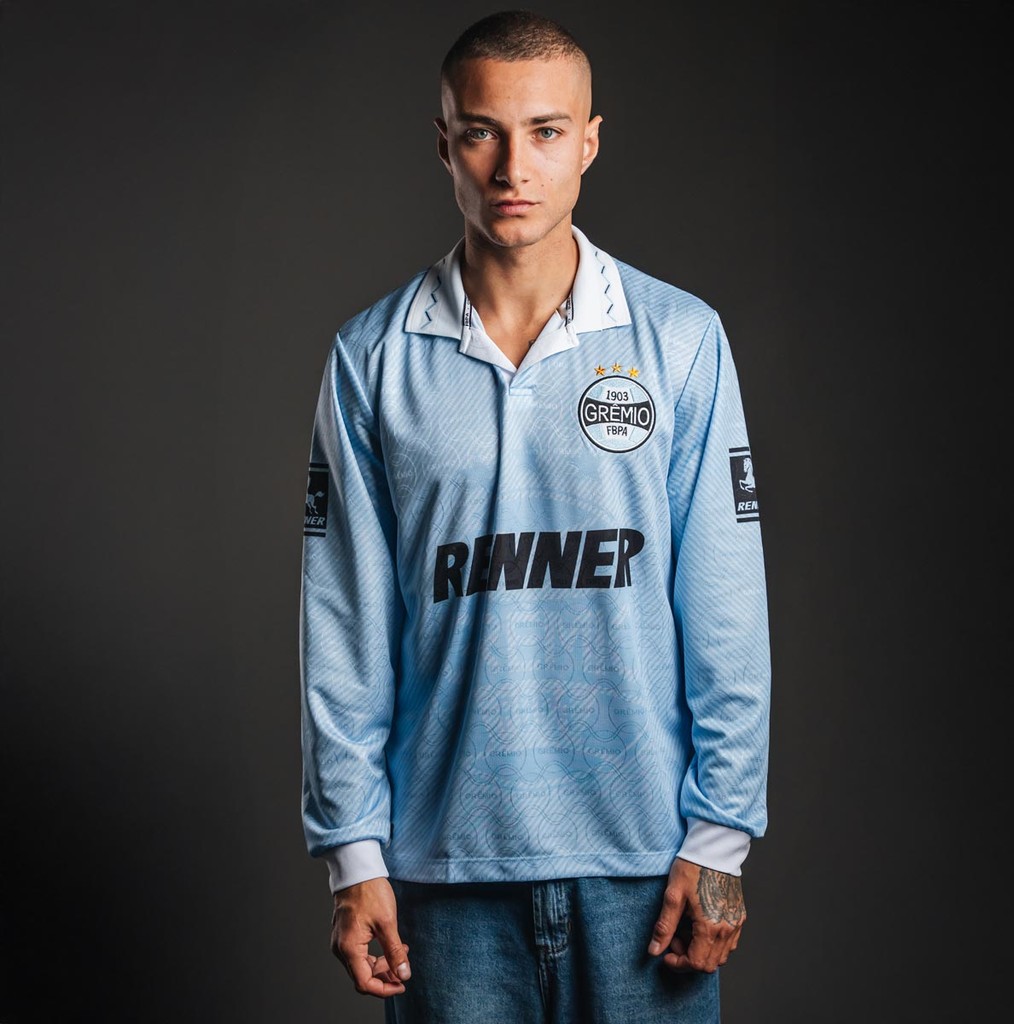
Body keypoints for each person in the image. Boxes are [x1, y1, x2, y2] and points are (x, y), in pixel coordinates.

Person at [299, 10, 770, 1022]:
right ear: (444, 144)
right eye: (482, 132)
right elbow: (344, 624)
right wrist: (352, 855)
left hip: (648, 868)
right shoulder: (371, 358)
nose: (514, 167)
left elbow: (726, 604)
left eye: (546, 132)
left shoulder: (679, 340)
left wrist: (721, 839)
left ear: (589, 142)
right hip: (444, 876)